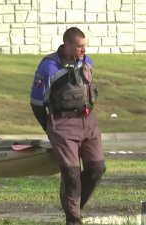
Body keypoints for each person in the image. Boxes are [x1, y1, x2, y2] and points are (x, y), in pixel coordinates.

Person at [30, 27, 106, 225]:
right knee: (71, 173)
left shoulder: (87, 61)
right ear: (67, 45)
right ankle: (73, 220)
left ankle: (73, 205)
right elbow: (36, 103)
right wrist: (50, 129)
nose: (84, 49)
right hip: (62, 123)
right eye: (80, 46)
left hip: (88, 121)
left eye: (85, 45)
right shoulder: (49, 67)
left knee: (97, 168)